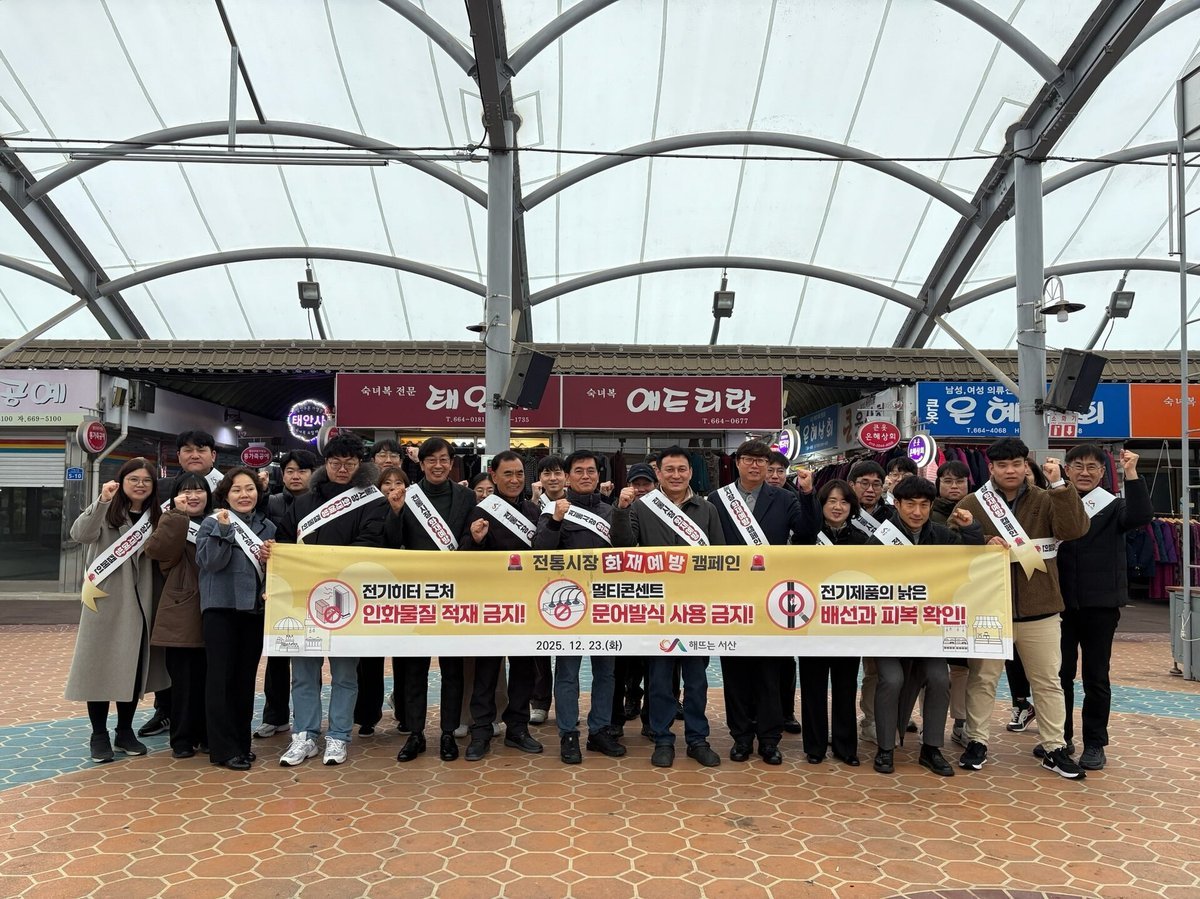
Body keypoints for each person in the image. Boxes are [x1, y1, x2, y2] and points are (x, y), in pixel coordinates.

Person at [953, 437, 1090, 779]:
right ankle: (977, 741)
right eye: (1002, 465)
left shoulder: (1047, 498)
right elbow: (952, 547)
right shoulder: (972, 502)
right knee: (982, 679)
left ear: (1026, 465)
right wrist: (980, 540)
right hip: (988, 608)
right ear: (991, 468)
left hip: (1040, 606)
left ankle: (1054, 747)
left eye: (1016, 464)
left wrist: (1061, 486)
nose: (1010, 471)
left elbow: (1074, 530)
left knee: (1048, 681)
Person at [277, 433, 387, 767]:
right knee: (303, 672)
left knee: (345, 673)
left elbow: (370, 543)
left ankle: (339, 736)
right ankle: (305, 735)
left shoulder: (372, 501)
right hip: (302, 598)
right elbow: (284, 540)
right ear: (325, 464)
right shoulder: (304, 502)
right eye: (336, 463)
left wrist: (323, 564)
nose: (342, 469)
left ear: (360, 464)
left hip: (347, 598)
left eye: (349, 463)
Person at [611, 447, 724, 768]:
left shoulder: (707, 509)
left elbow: (720, 556)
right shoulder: (642, 506)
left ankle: (698, 739)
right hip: (658, 608)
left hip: (696, 608)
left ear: (691, 472)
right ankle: (662, 738)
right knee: (659, 678)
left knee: (696, 679)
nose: (676, 475)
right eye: (669, 469)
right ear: (658, 473)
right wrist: (620, 510)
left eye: (682, 469)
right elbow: (622, 546)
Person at [708, 439, 813, 765]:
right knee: (735, 671)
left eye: (761, 461)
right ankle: (741, 737)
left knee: (770, 672)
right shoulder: (718, 499)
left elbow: (806, 536)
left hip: (772, 597)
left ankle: (769, 739)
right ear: (737, 462)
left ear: (768, 466)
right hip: (732, 595)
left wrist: (808, 495)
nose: (755, 465)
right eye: (749, 460)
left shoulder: (785, 498)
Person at [870, 476, 981, 776]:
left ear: (931, 506)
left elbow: (974, 562)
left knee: (939, 678)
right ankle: (885, 748)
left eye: (924, 505)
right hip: (889, 630)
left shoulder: (944, 536)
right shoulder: (879, 539)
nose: (917, 512)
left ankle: (931, 748)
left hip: (930, 630)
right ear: (896, 504)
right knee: (891, 679)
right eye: (910, 504)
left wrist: (971, 529)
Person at [534, 450, 631, 764]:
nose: (585, 476)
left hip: (605, 603)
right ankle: (568, 734)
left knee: (606, 673)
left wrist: (621, 513)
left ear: (598, 475)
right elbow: (539, 551)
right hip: (568, 605)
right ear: (567, 476)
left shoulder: (610, 510)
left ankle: (599, 730)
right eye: (578, 471)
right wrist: (556, 520)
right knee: (567, 673)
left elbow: (627, 549)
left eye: (591, 470)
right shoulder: (553, 510)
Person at [68, 458, 168, 762]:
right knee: (99, 668)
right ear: (121, 482)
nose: (140, 485)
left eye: (146, 480)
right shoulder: (107, 511)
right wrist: (102, 500)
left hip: (143, 603)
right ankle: (98, 734)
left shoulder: (158, 517)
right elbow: (80, 534)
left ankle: (124, 731)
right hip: (105, 602)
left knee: (132, 669)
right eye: (133, 479)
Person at [1057, 446, 1151, 770]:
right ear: (1067, 470)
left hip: (1101, 606)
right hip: (1060, 604)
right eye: (1078, 466)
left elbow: (1140, 517)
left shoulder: (1114, 506)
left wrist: (1132, 474)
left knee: (1096, 677)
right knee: (1060, 675)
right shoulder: (1055, 502)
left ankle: (1095, 743)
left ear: (1102, 472)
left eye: (1092, 467)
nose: (1084, 472)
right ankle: (1060, 738)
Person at [386, 437, 476, 763]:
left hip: (454, 595)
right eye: (431, 460)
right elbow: (391, 544)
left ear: (452, 463)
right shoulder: (407, 496)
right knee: (414, 669)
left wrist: (474, 540)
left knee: (452, 669)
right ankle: (415, 733)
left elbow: (469, 541)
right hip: (417, 596)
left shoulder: (466, 497)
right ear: (421, 464)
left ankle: (448, 733)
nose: (438, 466)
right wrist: (395, 512)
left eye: (444, 460)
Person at [139, 429, 225, 739]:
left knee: (208, 664)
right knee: (176, 658)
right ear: (178, 456)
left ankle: (204, 726)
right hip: (172, 582)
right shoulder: (163, 488)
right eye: (187, 450)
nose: (194, 455)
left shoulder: (228, 487)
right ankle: (166, 712)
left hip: (216, 587)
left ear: (213, 455)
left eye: (201, 449)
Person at [460, 450, 544, 760]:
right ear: (493, 476)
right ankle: (481, 731)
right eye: (508, 474)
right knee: (486, 670)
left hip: (527, 604)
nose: (514, 480)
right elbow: (463, 557)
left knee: (524, 670)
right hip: (491, 605)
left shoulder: (534, 512)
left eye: (519, 474)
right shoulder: (480, 511)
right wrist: (476, 540)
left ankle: (517, 728)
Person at [196, 468, 276, 770]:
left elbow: (273, 573)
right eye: (237, 490)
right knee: (220, 680)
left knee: (244, 680)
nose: (244, 495)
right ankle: (222, 748)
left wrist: (269, 562)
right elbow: (211, 562)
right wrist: (224, 530)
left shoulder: (267, 526)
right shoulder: (212, 522)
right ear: (226, 495)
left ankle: (242, 743)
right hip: (219, 610)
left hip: (253, 611)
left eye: (250, 489)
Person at [797, 478, 866, 767]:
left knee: (846, 685)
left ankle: (845, 746)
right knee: (812, 686)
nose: (838, 507)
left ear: (852, 506)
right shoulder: (805, 537)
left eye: (844, 502)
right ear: (821, 505)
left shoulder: (863, 540)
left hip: (848, 625)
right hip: (811, 623)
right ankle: (814, 746)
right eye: (831, 501)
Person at [145, 472, 212, 759]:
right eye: (186, 491)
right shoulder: (171, 521)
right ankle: (182, 738)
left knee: (211, 680)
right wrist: (177, 516)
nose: (193, 496)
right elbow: (158, 551)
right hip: (182, 610)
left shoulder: (221, 520)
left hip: (216, 611)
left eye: (199, 490)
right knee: (183, 682)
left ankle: (208, 734)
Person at [255, 449, 318, 740]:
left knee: (310, 654)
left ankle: (307, 718)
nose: (295, 476)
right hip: (279, 589)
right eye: (290, 471)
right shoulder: (270, 502)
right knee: (278, 655)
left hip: (312, 588)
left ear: (313, 473)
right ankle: (275, 716)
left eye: (302, 471)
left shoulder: (324, 502)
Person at [844, 459, 898, 747]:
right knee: (848, 669)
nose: (870, 489)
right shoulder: (840, 511)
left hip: (882, 600)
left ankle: (873, 721)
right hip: (845, 602)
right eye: (864, 483)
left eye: (877, 484)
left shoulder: (894, 516)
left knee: (876, 668)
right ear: (851, 485)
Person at [611, 462, 658, 735]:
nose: (641, 489)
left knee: (656, 660)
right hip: (626, 597)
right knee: (625, 658)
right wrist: (622, 508)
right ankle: (628, 700)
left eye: (646, 484)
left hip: (659, 598)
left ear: (655, 484)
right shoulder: (620, 507)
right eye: (636, 484)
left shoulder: (665, 509)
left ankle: (654, 715)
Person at [931, 460, 972, 746]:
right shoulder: (926, 511)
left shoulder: (978, 508)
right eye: (947, 481)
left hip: (965, 599)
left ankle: (961, 722)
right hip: (931, 601)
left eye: (959, 481)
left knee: (961, 665)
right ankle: (928, 723)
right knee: (928, 666)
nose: (954, 486)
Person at [528, 454, 568, 725]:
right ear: (540, 478)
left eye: (557, 473)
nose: (553, 478)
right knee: (539, 648)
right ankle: (539, 702)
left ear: (566, 477)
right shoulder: (531, 507)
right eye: (547, 473)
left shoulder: (578, 504)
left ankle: (566, 705)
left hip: (572, 585)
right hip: (539, 584)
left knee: (568, 649)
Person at [766, 450, 802, 736]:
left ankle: (786, 711)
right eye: (771, 470)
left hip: (788, 588)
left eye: (780, 471)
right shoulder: (736, 501)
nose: (775, 476)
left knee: (786, 657)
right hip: (754, 587)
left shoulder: (794, 500)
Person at [375, 465, 412, 734]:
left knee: (405, 655)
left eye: (398, 482)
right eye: (387, 483)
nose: (393, 488)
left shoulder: (416, 509)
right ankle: (368, 712)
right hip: (375, 592)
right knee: (372, 656)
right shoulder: (369, 508)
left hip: (406, 592)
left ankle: (404, 710)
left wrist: (398, 512)